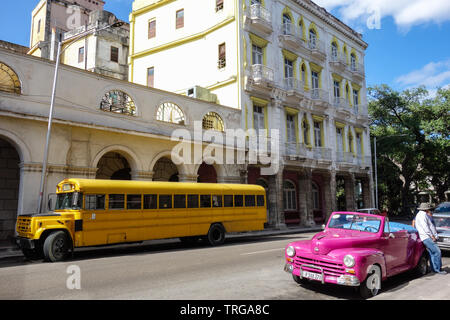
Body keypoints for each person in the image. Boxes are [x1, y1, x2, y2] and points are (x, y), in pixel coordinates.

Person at [414, 203, 447, 275]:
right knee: (437, 252)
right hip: (426, 237)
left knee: (432, 253)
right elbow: (425, 227)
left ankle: (434, 269)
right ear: (426, 209)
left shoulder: (421, 215)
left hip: (426, 236)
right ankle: (437, 269)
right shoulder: (422, 215)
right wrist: (432, 236)